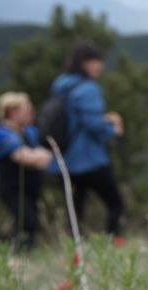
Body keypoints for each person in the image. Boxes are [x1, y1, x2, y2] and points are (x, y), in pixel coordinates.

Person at [49, 42, 125, 237]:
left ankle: (75, 253)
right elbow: (94, 126)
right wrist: (113, 129)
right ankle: (113, 244)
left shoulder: (62, 84)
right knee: (116, 204)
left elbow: (75, 119)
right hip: (90, 159)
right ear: (85, 63)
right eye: (96, 61)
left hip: (65, 159)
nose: (100, 66)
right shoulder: (88, 89)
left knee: (74, 214)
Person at [0, 92, 53, 249]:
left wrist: (38, 156)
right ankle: (12, 254)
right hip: (13, 188)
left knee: (29, 224)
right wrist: (37, 156)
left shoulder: (29, 131)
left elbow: (43, 158)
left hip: (31, 187)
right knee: (27, 221)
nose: (31, 114)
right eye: (27, 111)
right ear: (12, 112)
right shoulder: (0, 134)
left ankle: (23, 256)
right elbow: (25, 157)